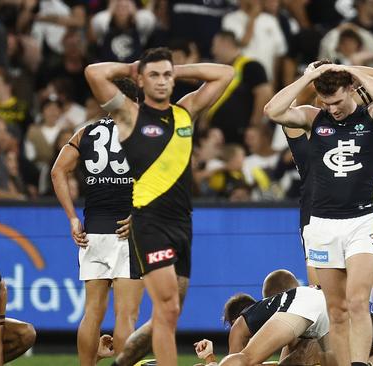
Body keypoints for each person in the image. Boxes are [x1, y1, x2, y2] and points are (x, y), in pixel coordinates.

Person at [85, 47, 234, 365]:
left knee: (171, 312)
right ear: (141, 80)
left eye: (167, 76)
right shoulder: (129, 115)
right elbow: (94, 73)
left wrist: (173, 69)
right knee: (165, 309)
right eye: (155, 76)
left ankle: (123, 361)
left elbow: (226, 73)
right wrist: (132, 68)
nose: (163, 81)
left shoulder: (186, 112)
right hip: (150, 223)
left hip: (183, 223)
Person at [263, 61, 373, 366]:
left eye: (337, 101)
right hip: (322, 224)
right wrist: (308, 77)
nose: (333, 108)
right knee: (335, 310)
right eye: (327, 102)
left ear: (351, 89)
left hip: (362, 221)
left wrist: (350, 70)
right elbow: (272, 110)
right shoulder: (314, 119)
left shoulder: (372, 117)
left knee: (358, 301)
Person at [51, 78, 144, 366]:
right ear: (131, 102)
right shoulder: (140, 132)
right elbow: (161, 179)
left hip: (92, 231)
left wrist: (71, 218)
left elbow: (57, 172)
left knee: (92, 312)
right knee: (126, 315)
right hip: (127, 231)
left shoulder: (85, 132)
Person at [196, 269, 373, 366]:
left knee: (247, 358)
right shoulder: (307, 301)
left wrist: (213, 361)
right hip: (344, 325)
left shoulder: (291, 307)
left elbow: (238, 330)